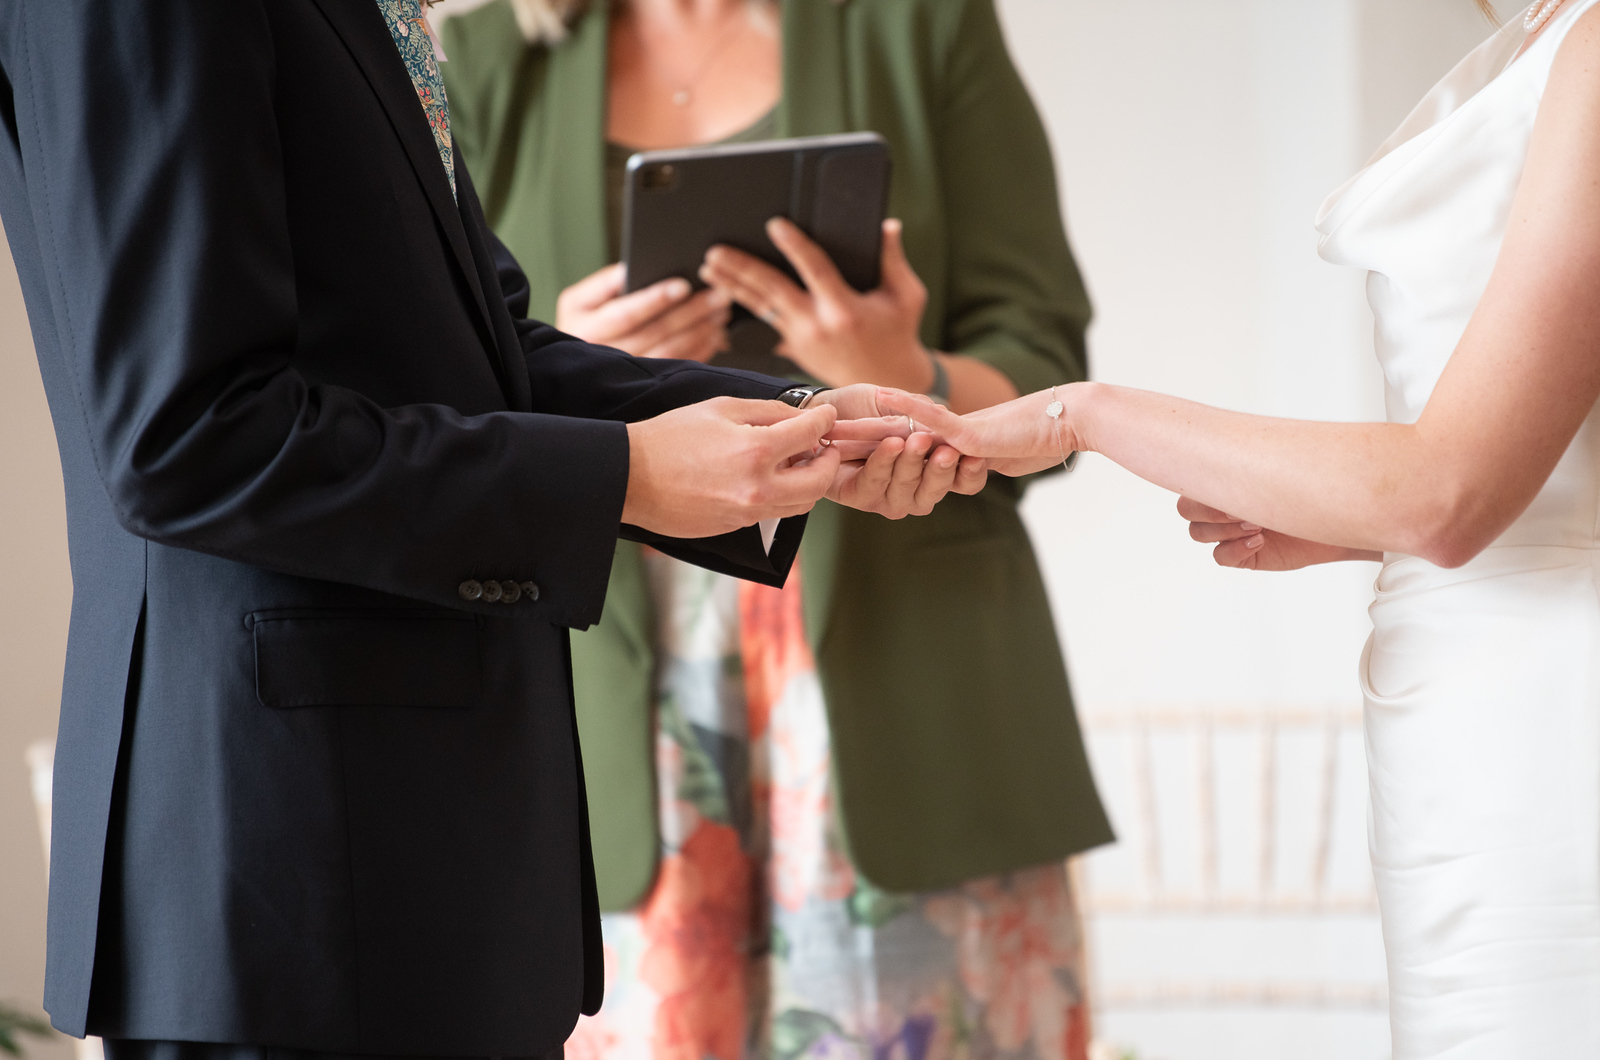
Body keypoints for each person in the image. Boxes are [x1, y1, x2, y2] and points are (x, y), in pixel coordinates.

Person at [0, 3, 976, 1060]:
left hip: (417, 880)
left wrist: (803, 432)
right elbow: (188, 435)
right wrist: (625, 478)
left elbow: (483, 357)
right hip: (287, 882)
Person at [882, 1, 1600, 1055]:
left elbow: (1443, 494)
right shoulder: (1549, 37)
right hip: (1464, 701)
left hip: (1542, 720)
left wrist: (1081, 412)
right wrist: (1350, 516)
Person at [439, 0, 1113, 1058]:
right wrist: (560, 358)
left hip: (913, 708)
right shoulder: (479, 61)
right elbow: (428, 400)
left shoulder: (921, 24)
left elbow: (1046, 366)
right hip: (605, 706)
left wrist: (908, 373)